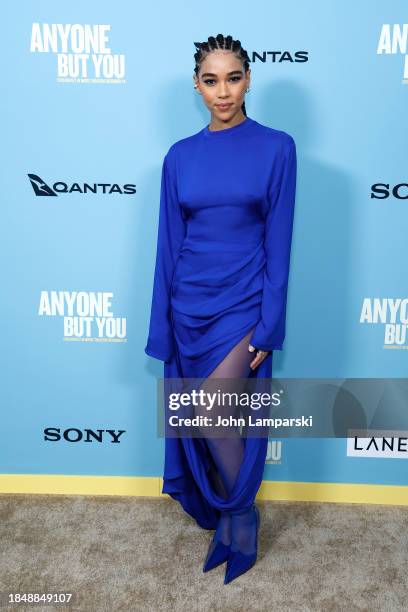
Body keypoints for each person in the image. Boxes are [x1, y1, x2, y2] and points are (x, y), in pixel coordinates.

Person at [145, 33, 297, 584]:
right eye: (211, 80)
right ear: (197, 85)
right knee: (210, 420)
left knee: (214, 413)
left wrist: (270, 324)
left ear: (249, 78)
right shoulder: (179, 156)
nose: (223, 91)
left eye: (233, 78)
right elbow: (167, 246)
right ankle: (231, 523)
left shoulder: (278, 147)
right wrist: (162, 322)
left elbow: (279, 243)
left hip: (243, 303)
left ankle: (240, 515)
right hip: (189, 302)